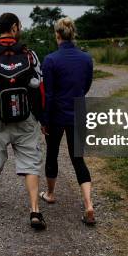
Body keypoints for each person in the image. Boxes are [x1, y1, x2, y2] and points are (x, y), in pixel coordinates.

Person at [0, 12, 47, 229]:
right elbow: (40, 88)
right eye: (20, 26)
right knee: (31, 163)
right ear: (14, 27)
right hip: (25, 118)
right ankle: (35, 210)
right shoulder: (30, 55)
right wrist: (40, 117)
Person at [39, 17, 96, 225]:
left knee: (52, 153)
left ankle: (51, 194)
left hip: (56, 115)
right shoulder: (86, 59)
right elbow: (86, 85)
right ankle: (89, 204)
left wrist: (44, 119)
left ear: (57, 35)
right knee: (78, 159)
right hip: (78, 113)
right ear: (73, 34)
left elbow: (49, 94)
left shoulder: (50, 60)